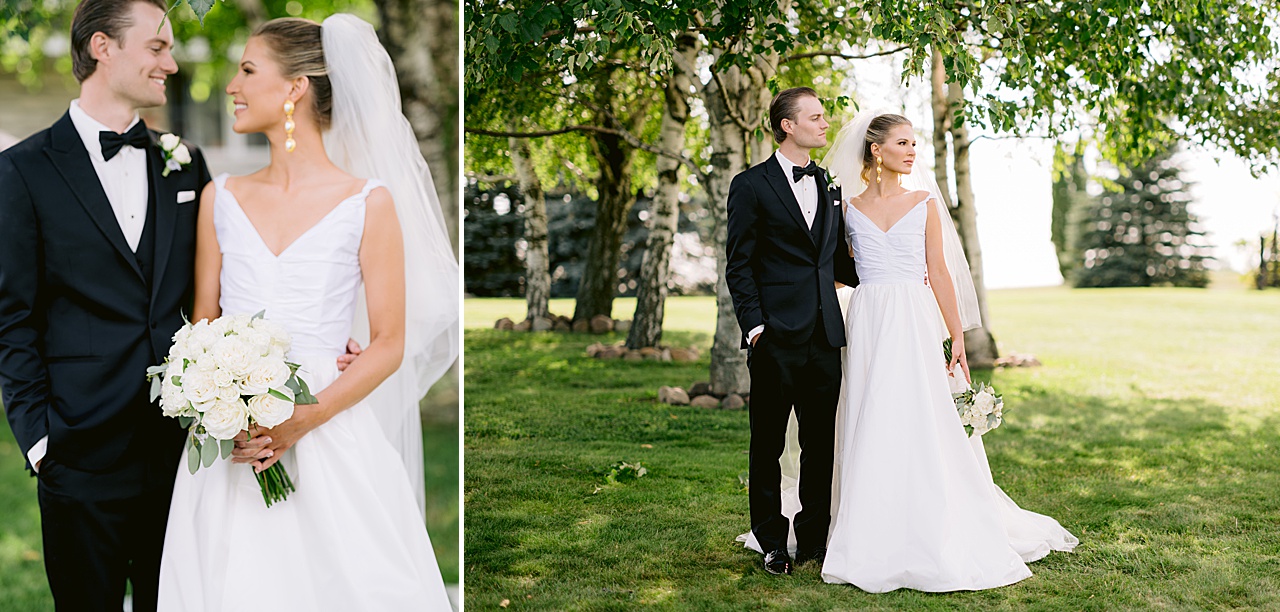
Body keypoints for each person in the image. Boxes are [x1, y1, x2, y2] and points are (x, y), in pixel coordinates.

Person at [155, 15, 458, 610]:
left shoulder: (368, 202)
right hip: (231, 445)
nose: (232, 87)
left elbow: (390, 343)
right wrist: (217, 401)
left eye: (247, 70)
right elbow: (201, 327)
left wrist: (296, 422)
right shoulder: (222, 198)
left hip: (328, 426)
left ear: (294, 87)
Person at [0, 1, 210, 609]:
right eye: (157, 47)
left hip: (181, 453)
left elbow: (217, 281)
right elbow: (11, 316)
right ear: (102, 47)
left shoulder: (185, 162)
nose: (171, 63)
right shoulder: (22, 171)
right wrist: (41, 442)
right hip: (78, 452)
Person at [817, 111, 1077, 591]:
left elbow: (939, 272)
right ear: (876, 150)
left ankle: (933, 517)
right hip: (869, 315)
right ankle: (869, 523)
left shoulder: (924, 203)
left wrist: (957, 336)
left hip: (915, 318)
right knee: (870, 412)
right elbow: (836, 271)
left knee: (921, 412)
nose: (912, 150)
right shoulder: (847, 208)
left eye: (914, 142)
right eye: (902, 142)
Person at [725, 87, 859, 575]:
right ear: (788, 125)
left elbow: (839, 260)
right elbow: (738, 264)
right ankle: (772, 542)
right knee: (768, 442)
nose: (825, 125)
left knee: (820, 444)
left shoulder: (830, 183)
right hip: (775, 336)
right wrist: (756, 327)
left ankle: (815, 539)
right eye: (816, 117)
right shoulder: (751, 185)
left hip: (825, 333)